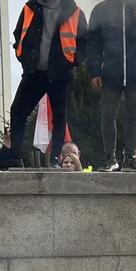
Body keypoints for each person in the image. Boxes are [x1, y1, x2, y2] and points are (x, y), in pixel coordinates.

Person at [0, 0, 87, 169]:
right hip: (34, 72)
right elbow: (19, 33)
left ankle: (56, 158)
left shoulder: (73, 11)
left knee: (59, 117)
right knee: (18, 111)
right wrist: (22, 55)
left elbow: (84, 40)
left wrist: (75, 61)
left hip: (60, 74)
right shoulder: (30, 8)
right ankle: (14, 157)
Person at [87, 0, 136, 172]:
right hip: (110, 73)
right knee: (107, 115)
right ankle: (110, 159)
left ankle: (130, 158)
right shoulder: (101, 9)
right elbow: (92, 43)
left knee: (134, 116)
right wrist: (94, 71)